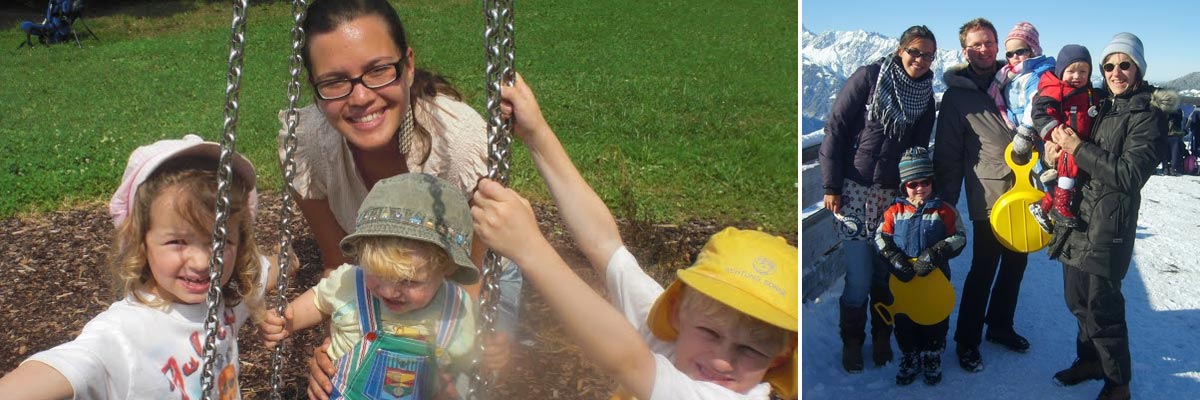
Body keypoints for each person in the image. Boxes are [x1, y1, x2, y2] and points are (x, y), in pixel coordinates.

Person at [471, 73, 798, 399]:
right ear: (676, 314)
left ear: (781, 355)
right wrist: (537, 135)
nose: (722, 361)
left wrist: (531, 249)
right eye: (710, 333)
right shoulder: (671, 339)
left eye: (750, 349)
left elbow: (627, 361)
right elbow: (605, 245)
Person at [278, 0, 519, 395]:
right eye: (335, 81)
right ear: (316, 90)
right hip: (378, 279)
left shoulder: (457, 144)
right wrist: (338, 348)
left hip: (465, 275)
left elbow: (469, 279)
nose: (360, 98)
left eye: (377, 70)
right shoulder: (306, 144)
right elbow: (337, 263)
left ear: (407, 66)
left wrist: (454, 357)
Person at [0, 134, 274, 399]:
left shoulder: (231, 295)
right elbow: (69, 367)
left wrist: (289, 262)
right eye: (177, 241)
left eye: (220, 241)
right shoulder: (124, 334)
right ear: (140, 242)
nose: (203, 263)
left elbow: (268, 269)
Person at [261, 173, 479, 399]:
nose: (388, 291)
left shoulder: (457, 309)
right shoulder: (350, 283)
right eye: (376, 273)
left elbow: (467, 362)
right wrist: (286, 321)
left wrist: (492, 355)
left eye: (409, 281)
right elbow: (318, 301)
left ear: (447, 268)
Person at [1042, 32, 1174, 400]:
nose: (1116, 72)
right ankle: (1089, 361)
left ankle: (1118, 383)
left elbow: (1130, 175)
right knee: (1076, 300)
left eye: (1124, 64)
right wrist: (1054, 151)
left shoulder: (1147, 114)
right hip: (1080, 216)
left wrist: (1077, 148)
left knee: (1103, 307)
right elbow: (1068, 139)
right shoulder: (1102, 104)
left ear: (1138, 68)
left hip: (1110, 223)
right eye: (1109, 65)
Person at [818, 25, 938, 373]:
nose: (920, 59)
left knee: (885, 272)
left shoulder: (926, 94)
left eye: (928, 54)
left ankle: (882, 335)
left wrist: (915, 194)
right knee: (857, 275)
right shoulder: (870, 77)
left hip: (891, 195)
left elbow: (917, 149)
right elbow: (836, 128)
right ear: (900, 49)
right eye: (915, 51)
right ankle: (852, 343)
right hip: (853, 191)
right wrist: (830, 185)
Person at [932, 17, 1031, 373]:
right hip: (987, 192)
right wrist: (946, 204)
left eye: (988, 42)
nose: (984, 49)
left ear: (996, 45)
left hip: (1024, 187)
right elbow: (947, 154)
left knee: (1017, 262)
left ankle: (1000, 326)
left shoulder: (1015, 80)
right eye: (976, 44)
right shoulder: (958, 96)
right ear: (965, 51)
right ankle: (967, 340)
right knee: (984, 266)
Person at [874, 147, 967, 386]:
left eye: (924, 182)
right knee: (905, 321)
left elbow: (959, 237)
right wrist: (893, 258)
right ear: (904, 186)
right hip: (904, 282)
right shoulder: (894, 212)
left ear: (932, 181)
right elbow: (880, 237)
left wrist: (937, 253)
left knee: (935, 319)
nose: (919, 189)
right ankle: (910, 355)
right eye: (912, 184)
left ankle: (932, 354)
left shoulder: (944, 210)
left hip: (935, 280)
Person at [1021, 44, 1104, 232]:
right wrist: (1055, 132)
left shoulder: (1090, 93)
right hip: (1063, 142)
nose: (1077, 76)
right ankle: (1061, 206)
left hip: (1081, 143)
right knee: (1069, 170)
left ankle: (1043, 207)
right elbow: (1040, 114)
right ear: (1060, 71)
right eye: (1071, 71)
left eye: (1083, 71)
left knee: (1072, 176)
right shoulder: (1054, 90)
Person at [993, 22, 1056, 132]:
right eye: (1010, 54)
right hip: (1015, 127)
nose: (1015, 56)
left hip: (1032, 131)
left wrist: (1025, 130)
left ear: (1033, 51)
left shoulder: (1035, 75)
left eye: (1020, 51)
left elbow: (1033, 104)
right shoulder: (1009, 76)